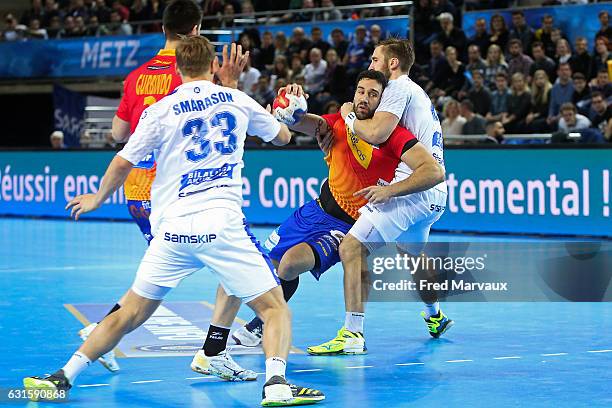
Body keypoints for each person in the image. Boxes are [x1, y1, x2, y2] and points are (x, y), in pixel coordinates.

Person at [23, 35, 324, 407]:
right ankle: (276, 385)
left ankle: (62, 376)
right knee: (274, 307)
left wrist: (97, 198)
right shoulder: (237, 99)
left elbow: (122, 161)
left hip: (173, 230)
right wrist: (282, 112)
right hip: (221, 225)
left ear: (177, 68)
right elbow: (281, 137)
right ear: (213, 66)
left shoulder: (160, 110)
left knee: (130, 311)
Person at [230, 71, 423, 348]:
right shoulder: (340, 122)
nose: (364, 98)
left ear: (383, 102)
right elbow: (304, 123)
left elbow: (430, 169)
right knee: (267, 264)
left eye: (373, 94)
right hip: (314, 211)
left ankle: (262, 324)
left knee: (290, 265)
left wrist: (391, 191)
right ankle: (263, 319)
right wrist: (292, 102)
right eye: (361, 91)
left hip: (345, 225)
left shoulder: (392, 137)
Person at [77, 0, 203, 374]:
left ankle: (102, 333)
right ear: (194, 30)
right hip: (174, 189)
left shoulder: (136, 76)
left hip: (137, 190)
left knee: (165, 271)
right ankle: (217, 350)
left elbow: (118, 133)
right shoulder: (191, 75)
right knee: (199, 261)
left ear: (163, 29)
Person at [302, 39, 450, 354]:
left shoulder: (397, 87)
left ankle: (353, 334)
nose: (370, 66)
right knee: (411, 252)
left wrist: (347, 116)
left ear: (392, 63)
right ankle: (435, 314)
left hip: (413, 187)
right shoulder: (417, 93)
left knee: (352, 246)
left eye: (375, 59)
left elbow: (378, 133)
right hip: (433, 196)